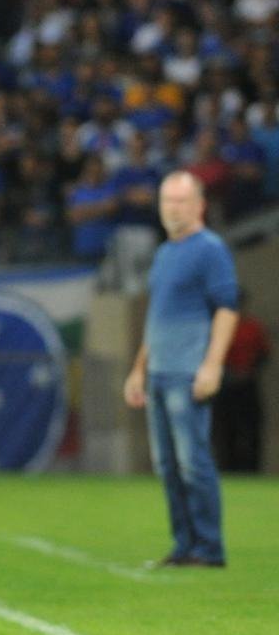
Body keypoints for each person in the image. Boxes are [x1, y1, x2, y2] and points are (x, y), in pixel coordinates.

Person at [123, 171, 239, 568]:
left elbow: (227, 306)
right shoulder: (165, 252)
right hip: (159, 372)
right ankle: (184, 545)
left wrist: (212, 365)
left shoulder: (210, 249)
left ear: (199, 205)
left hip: (188, 370)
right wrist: (139, 368)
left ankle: (209, 548)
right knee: (169, 466)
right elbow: (157, 318)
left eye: (180, 200)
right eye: (166, 200)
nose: (171, 208)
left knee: (194, 462)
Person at [212, 289, 269, 472]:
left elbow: (264, 354)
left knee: (250, 429)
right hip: (225, 385)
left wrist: (248, 371)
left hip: (247, 384)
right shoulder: (217, 328)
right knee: (226, 430)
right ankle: (228, 469)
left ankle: (252, 469)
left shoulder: (252, 327)